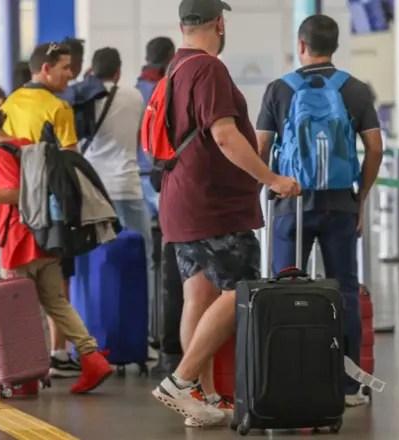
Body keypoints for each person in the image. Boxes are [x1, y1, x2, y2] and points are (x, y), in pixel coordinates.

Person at [149, 0, 300, 427]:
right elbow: (225, 134)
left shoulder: (174, 69)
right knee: (243, 289)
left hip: (181, 203)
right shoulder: (209, 68)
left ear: (181, 25)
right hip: (213, 204)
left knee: (198, 296)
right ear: (219, 22)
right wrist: (271, 178)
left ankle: (202, 397)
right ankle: (180, 381)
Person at [255, 14, 384, 408]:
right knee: (344, 290)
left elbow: (259, 147)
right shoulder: (356, 89)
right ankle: (346, 386)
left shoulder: (279, 89)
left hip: (290, 205)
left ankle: (284, 375)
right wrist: (359, 197)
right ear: (335, 45)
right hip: (340, 205)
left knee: (282, 288)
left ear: (301, 46)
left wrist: (270, 185)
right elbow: (375, 148)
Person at [0, 96, 113, 394]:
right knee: (56, 303)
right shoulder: (24, 143)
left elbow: (14, 194)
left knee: (19, 310)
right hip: (45, 237)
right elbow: (25, 187)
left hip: (19, 240)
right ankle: (92, 357)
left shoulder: (0, 152)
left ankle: (25, 376)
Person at [0, 42, 81, 378]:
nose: (70, 73)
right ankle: (58, 352)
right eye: (65, 66)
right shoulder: (58, 107)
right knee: (58, 278)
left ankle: (21, 352)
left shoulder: (9, 103)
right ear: (45, 69)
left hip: (15, 203)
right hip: (51, 206)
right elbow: (72, 160)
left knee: (20, 278)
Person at [81, 47, 156, 332]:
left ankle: (99, 329)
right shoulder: (134, 96)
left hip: (94, 192)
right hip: (128, 187)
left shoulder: (85, 98)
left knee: (99, 261)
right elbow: (139, 141)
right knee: (143, 259)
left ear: (92, 70)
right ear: (118, 71)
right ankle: (142, 331)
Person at [137, 37, 176, 216]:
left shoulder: (135, 90)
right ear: (171, 57)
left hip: (137, 174)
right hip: (163, 173)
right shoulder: (170, 89)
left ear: (146, 59)